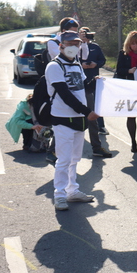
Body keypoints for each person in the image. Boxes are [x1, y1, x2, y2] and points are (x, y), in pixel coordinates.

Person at [46, 31, 101, 211]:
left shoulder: (77, 64)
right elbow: (65, 94)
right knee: (64, 159)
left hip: (78, 120)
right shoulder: (54, 66)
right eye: (70, 43)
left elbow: (82, 87)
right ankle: (59, 195)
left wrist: (95, 82)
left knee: (74, 158)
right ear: (61, 45)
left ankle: (72, 190)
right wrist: (87, 112)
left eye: (77, 44)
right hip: (63, 119)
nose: (74, 47)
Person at [79, 27, 112, 158]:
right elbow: (74, 61)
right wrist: (82, 65)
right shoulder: (78, 47)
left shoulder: (95, 47)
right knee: (84, 106)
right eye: (82, 34)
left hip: (94, 79)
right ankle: (81, 127)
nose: (85, 36)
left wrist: (95, 64)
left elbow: (102, 60)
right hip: (81, 80)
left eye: (87, 34)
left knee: (97, 103)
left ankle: (101, 126)